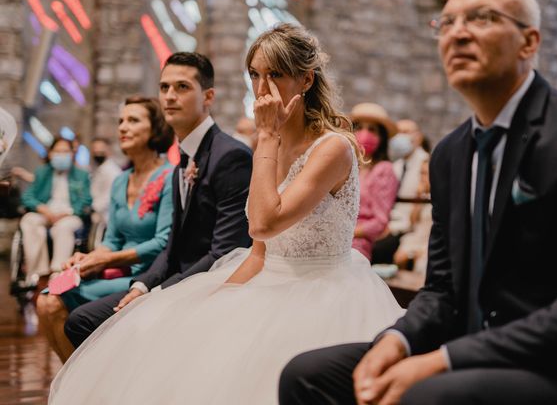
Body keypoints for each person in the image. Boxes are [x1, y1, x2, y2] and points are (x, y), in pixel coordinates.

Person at [280, 0, 557, 405]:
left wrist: (442, 359)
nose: (459, 32)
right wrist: (396, 340)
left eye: (482, 18)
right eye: (447, 22)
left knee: (427, 395)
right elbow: (442, 289)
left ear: (529, 42)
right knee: (308, 375)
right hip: (471, 345)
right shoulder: (452, 153)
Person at [49, 24, 403, 404]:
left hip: (324, 290)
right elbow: (259, 250)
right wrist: (217, 297)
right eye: (255, 74)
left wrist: (266, 137)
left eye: (276, 74)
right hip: (268, 277)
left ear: (306, 79)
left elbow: (265, 222)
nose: (262, 88)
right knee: (178, 328)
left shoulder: (331, 148)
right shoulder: (270, 142)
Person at [61, 51, 253, 349]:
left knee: (86, 322)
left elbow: (225, 252)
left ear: (208, 96)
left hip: (211, 284)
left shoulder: (230, 156)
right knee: (79, 321)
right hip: (178, 277)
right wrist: (141, 286)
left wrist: (159, 292)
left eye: (182, 87)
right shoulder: (184, 160)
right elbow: (173, 245)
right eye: (164, 88)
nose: (169, 96)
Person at [36, 97, 175, 363]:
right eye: (121, 121)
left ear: (155, 129)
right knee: (46, 301)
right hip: (118, 273)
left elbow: (163, 242)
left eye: (133, 121)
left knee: (55, 304)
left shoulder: (170, 175)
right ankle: (77, 382)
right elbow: (112, 239)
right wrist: (89, 259)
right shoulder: (121, 180)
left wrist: (106, 259)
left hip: (150, 277)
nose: (123, 127)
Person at [20, 137, 92, 280]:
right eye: (57, 151)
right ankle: (37, 272)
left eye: (65, 151)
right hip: (47, 212)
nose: (61, 155)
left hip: (70, 215)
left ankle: (57, 273)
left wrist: (68, 212)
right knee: (29, 221)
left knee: (62, 228)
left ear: (72, 154)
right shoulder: (42, 172)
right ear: (51, 153)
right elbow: (27, 195)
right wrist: (42, 209)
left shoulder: (81, 174)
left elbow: (86, 200)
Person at [373, 119, 430, 264]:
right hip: (389, 223)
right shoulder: (396, 165)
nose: (400, 137)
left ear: (418, 137)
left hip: (408, 227)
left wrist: (391, 228)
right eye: (398, 133)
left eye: (405, 132)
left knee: (375, 251)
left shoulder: (427, 165)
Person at [351, 102, 400, 261]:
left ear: (381, 138)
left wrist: (347, 232)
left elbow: (380, 222)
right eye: (359, 127)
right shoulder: (348, 166)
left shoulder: (384, 170)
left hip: (357, 243)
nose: (365, 134)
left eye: (372, 129)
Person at [88, 137, 122, 225]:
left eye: (101, 150)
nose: (98, 153)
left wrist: (93, 208)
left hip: (105, 216)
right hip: (98, 214)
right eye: (95, 150)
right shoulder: (98, 168)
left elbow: (110, 195)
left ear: (108, 150)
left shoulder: (113, 171)